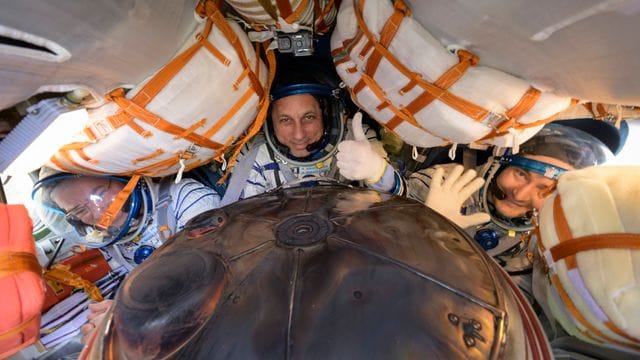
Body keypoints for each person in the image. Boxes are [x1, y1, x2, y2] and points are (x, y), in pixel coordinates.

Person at [406, 123, 613, 293]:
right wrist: (428, 224)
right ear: (499, 164)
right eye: (521, 173)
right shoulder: (444, 184)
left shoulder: (545, 245)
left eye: (545, 189)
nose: (521, 194)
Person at [32, 169, 221, 343]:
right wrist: (116, 313)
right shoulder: (112, 245)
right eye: (80, 211)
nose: (98, 212)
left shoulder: (185, 197)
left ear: (122, 178)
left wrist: (129, 316)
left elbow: (206, 280)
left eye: (99, 194)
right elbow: (150, 286)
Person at [220, 60, 404, 204]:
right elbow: (241, 227)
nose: (299, 135)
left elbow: (401, 208)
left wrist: (377, 171)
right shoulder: (255, 156)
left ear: (326, 115)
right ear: (270, 122)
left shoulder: (355, 140)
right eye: (285, 120)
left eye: (309, 117)